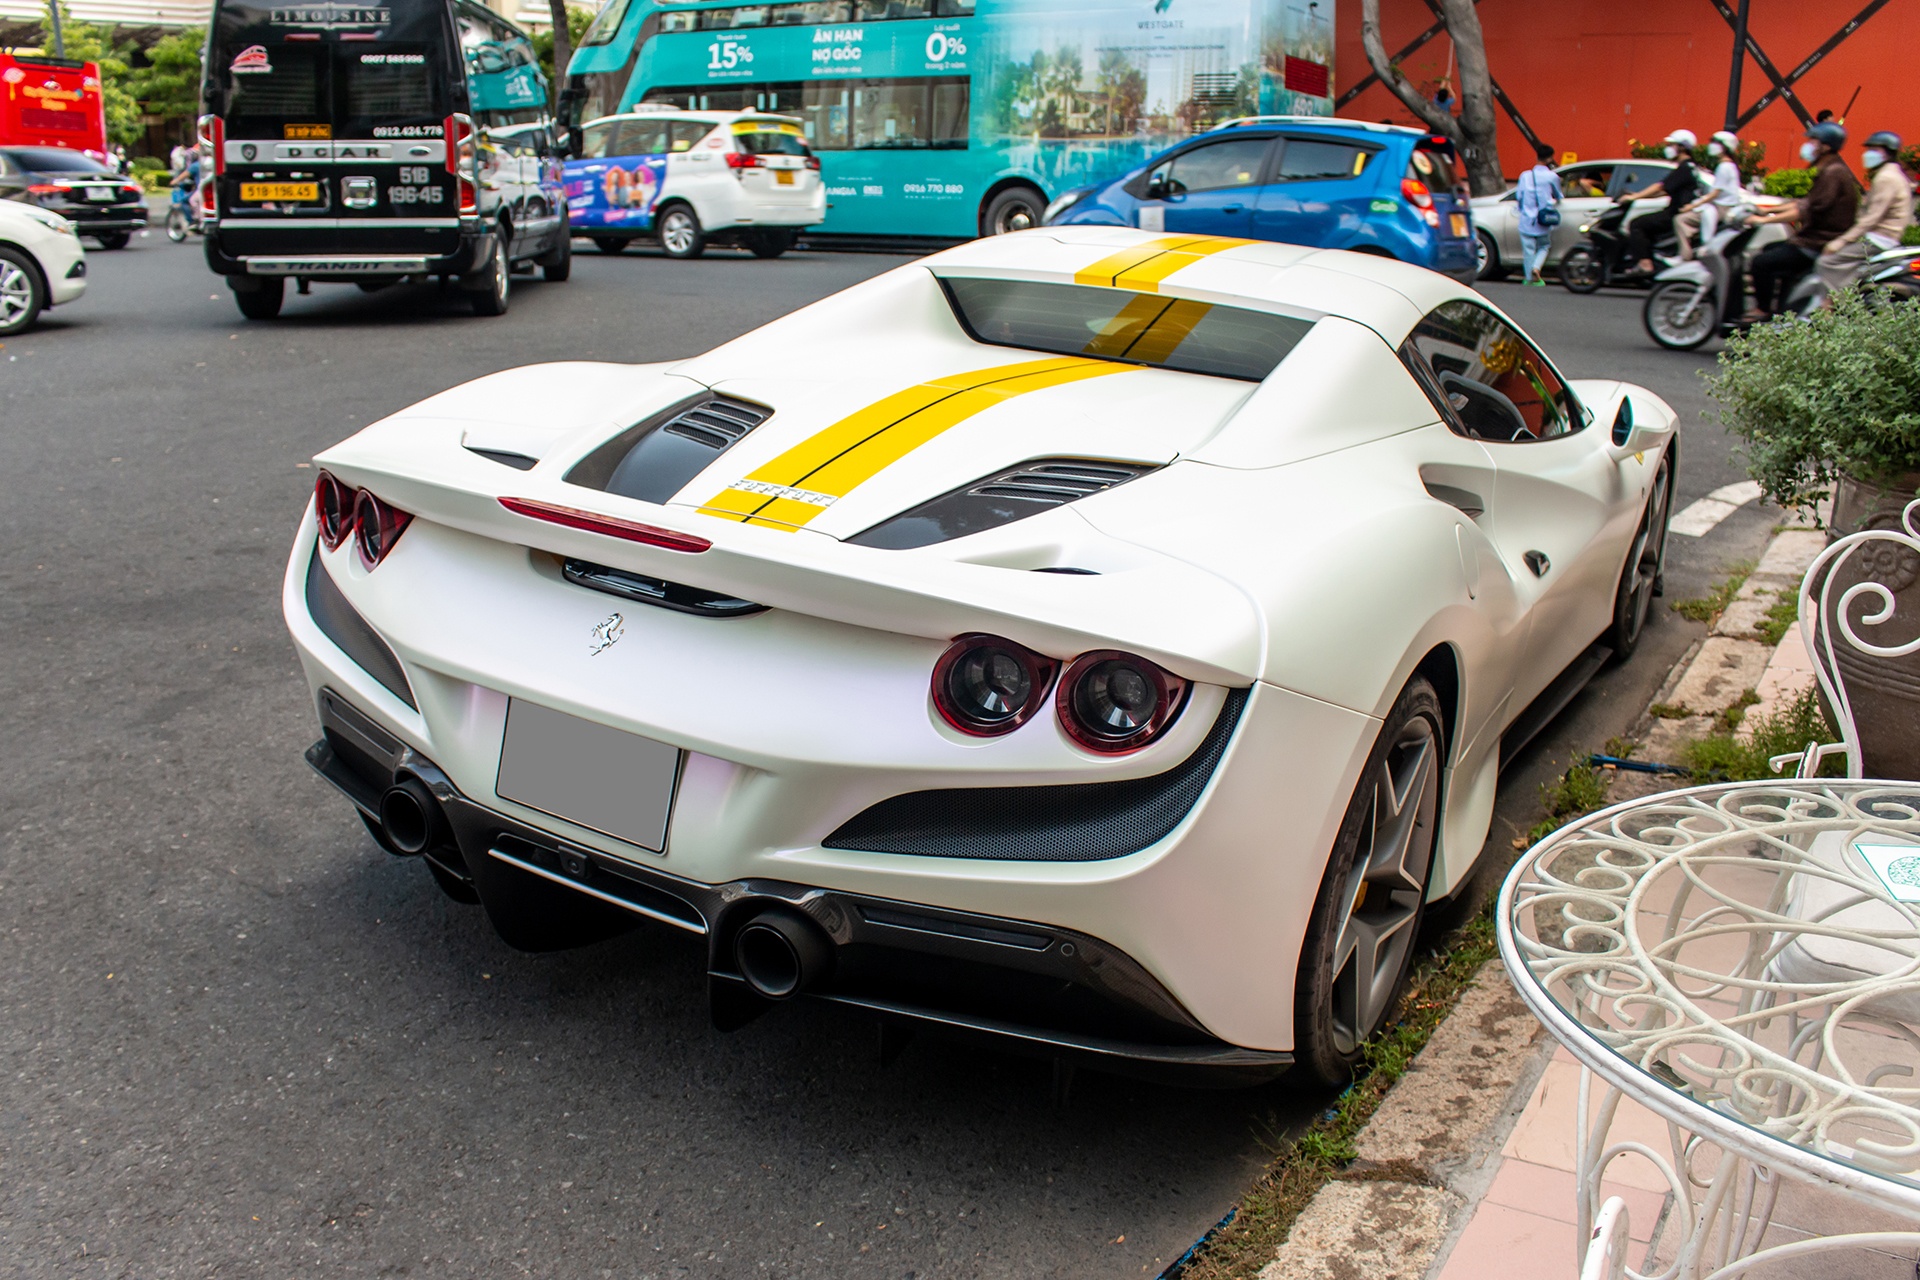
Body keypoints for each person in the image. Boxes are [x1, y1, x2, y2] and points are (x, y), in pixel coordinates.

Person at [1743, 122, 1860, 319]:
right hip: (1813, 239)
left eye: (1813, 141)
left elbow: (1804, 210)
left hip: (1817, 242)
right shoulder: (1831, 171)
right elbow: (1804, 202)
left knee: (1761, 263)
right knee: (1770, 250)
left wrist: (1762, 220)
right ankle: (1783, 308)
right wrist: (1765, 209)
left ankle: (1762, 310)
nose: (1808, 145)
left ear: (1826, 147)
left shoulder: (1833, 174)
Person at [1816, 131, 1915, 297]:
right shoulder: (1893, 174)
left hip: (1878, 238)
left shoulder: (1886, 178)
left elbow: (1871, 218)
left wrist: (1840, 241)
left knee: (1827, 262)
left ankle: (1830, 307)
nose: (1869, 154)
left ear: (1888, 153)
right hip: (1884, 236)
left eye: (1875, 150)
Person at [1618, 129, 1699, 274]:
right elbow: (1664, 191)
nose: (1668, 148)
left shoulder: (1685, 168)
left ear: (1682, 147)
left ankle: (1645, 264)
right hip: (1677, 211)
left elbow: (1660, 186)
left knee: (1637, 224)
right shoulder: (1690, 167)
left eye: (1671, 145)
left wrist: (1633, 197)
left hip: (1675, 213)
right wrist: (1639, 195)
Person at [1675, 130, 1743, 260]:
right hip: (1724, 207)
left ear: (1725, 147)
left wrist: (1691, 206)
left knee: (1680, 220)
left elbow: (1714, 193)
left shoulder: (1724, 167)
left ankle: (1684, 256)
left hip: (1721, 208)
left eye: (1716, 143)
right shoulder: (1729, 165)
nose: (1711, 145)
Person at [1514, 141, 1562, 286]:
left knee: (1528, 250)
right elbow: (1559, 195)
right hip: (1543, 219)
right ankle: (1536, 268)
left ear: (1537, 157)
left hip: (1526, 219)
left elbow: (1519, 196)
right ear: (1550, 158)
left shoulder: (1525, 176)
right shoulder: (1552, 176)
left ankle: (1529, 278)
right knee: (1544, 246)